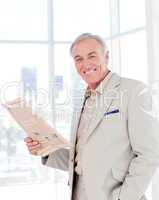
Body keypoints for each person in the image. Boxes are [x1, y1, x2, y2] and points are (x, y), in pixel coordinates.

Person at [24, 33, 159, 200]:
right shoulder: (81, 99)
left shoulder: (134, 91)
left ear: (106, 56)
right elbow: (81, 157)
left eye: (92, 56)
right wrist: (45, 150)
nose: (86, 64)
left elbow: (149, 154)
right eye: (78, 59)